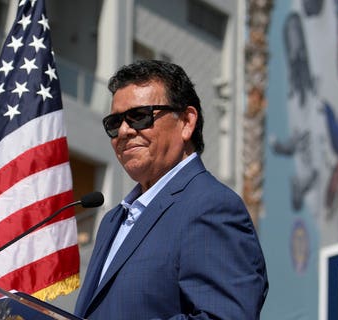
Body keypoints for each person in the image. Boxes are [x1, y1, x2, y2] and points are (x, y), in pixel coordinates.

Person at [74, 60, 268, 319]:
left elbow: (223, 316)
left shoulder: (210, 205)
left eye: (139, 116)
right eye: (114, 122)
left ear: (186, 121)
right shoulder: (112, 220)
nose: (123, 131)